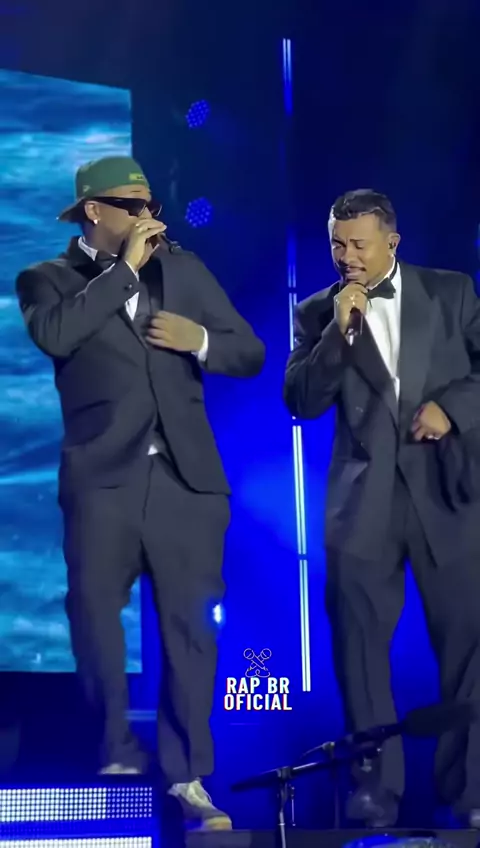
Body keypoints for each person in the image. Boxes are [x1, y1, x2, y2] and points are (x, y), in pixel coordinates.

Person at [16, 156, 265, 830]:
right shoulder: (45, 279)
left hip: (186, 479)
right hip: (104, 478)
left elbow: (249, 352)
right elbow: (57, 334)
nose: (146, 216)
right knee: (95, 617)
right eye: (131, 206)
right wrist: (124, 271)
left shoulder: (184, 270)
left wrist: (201, 339)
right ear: (94, 211)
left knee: (192, 632)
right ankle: (114, 747)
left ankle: (189, 776)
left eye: (150, 204)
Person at [284, 189, 480, 827]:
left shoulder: (451, 293)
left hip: (445, 493)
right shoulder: (317, 310)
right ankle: (374, 789)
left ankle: (470, 789)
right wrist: (338, 333)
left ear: (391, 242)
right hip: (361, 504)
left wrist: (453, 409)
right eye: (336, 244)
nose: (347, 256)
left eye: (359, 244)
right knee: (359, 648)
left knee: (470, 645)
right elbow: (300, 400)